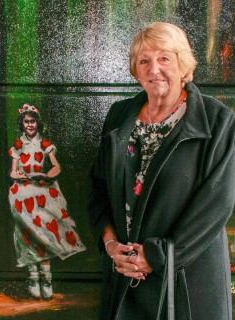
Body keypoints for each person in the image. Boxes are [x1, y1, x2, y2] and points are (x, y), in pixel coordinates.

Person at [89, 22, 235, 320]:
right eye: (144, 61)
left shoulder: (218, 120)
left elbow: (217, 204)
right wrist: (110, 244)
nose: (154, 68)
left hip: (187, 280)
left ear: (183, 65)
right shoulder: (119, 115)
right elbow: (99, 190)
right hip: (126, 276)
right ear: (135, 70)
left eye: (164, 58)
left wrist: (155, 256)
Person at [8, 104, 86, 300]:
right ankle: (33, 278)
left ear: (38, 123)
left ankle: (47, 279)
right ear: (22, 124)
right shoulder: (18, 145)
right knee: (27, 234)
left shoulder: (45, 144)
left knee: (44, 233)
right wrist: (19, 175)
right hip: (24, 193)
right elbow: (13, 171)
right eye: (26, 121)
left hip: (42, 190)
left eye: (33, 121)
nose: (30, 125)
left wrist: (45, 174)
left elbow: (56, 167)